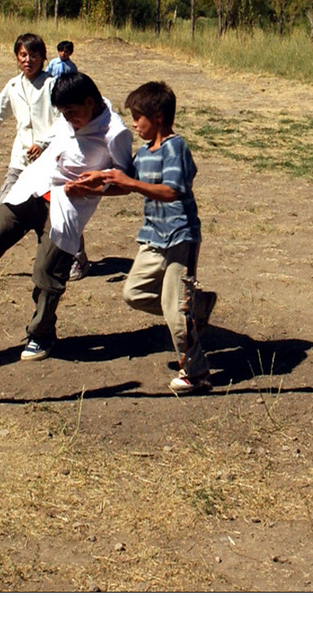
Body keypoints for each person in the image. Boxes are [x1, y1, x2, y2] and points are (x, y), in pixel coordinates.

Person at [0, 72, 133, 362]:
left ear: (89, 102)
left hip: (66, 208)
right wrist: (42, 142)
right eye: (63, 113)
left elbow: (126, 182)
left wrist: (95, 184)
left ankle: (41, 335)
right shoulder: (71, 113)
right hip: (31, 189)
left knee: (47, 272)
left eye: (72, 112)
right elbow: (57, 133)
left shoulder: (115, 133)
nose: (68, 118)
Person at [69, 81, 216, 395]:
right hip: (152, 239)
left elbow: (173, 190)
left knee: (176, 312)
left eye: (139, 117)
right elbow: (125, 185)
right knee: (133, 293)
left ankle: (196, 372)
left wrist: (128, 182)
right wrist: (93, 185)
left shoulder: (175, 147)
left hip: (180, 238)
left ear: (159, 116)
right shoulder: (143, 152)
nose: (134, 123)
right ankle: (199, 306)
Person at [0, 33, 59, 204]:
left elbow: (63, 121)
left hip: (49, 162)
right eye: (23, 55)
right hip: (21, 159)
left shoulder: (52, 85)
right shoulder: (13, 86)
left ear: (43, 58)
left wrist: (43, 143)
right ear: (17, 57)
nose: (28, 60)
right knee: (4, 206)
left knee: (53, 216)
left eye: (34, 56)